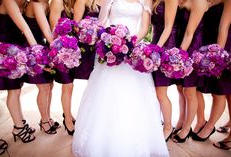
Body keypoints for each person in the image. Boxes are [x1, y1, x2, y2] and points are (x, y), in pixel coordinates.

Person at [72, 0, 169, 156]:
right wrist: (110, 43)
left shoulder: (145, 1)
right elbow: (102, 22)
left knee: (133, 95)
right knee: (106, 93)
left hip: (134, 50)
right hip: (109, 49)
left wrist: (128, 45)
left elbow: (144, 28)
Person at [0, 0, 36, 143]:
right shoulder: (8, 1)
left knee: (17, 90)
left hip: (17, 53)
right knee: (13, 91)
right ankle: (18, 127)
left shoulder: (25, 3)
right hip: (6, 54)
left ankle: (20, 122)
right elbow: (25, 28)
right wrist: (37, 51)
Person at [192, 0, 231, 142]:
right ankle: (202, 121)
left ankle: (210, 126)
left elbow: (223, 27)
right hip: (206, 45)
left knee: (219, 91)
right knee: (200, 87)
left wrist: (217, 55)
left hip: (223, 47)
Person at [172, 0, 209, 143]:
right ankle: (181, 122)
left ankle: (187, 128)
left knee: (190, 91)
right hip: (181, 43)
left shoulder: (199, 2)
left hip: (193, 48)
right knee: (180, 88)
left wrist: (178, 56)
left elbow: (189, 33)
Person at [23, 0, 58, 134]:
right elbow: (46, 29)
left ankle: (47, 118)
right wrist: (60, 48)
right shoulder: (35, 4)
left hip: (42, 47)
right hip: (33, 49)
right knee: (43, 87)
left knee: (49, 86)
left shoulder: (46, 3)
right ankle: (44, 121)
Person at [151, 0, 182, 141]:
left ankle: (168, 127)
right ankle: (157, 123)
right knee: (155, 91)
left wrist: (157, 49)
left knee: (161, 93)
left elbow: (168, 27)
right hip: (156, 43)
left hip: (167, 46)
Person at [49, 0, 76, 135]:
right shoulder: (57, 2)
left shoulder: (72, 3)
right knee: (67, 86)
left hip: (73, 51)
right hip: (61, 51)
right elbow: (53, 31)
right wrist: (61, 53)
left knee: (70, 86)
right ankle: (68, 121)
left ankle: (68, 114)